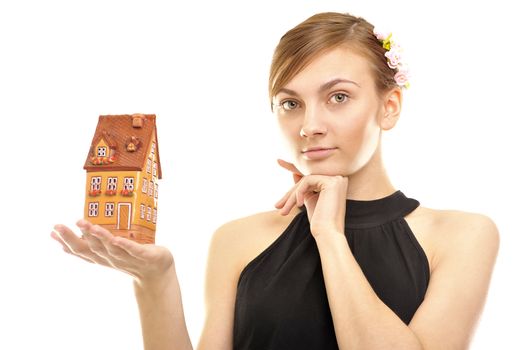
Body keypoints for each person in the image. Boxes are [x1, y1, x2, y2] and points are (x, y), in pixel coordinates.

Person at [51, 12, 500, 350]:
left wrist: (329, 235)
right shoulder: (236, 239)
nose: (310, 125)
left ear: (390, 106)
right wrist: (154, 280)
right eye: (290, 103)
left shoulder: (462, 235)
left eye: (338, 97)